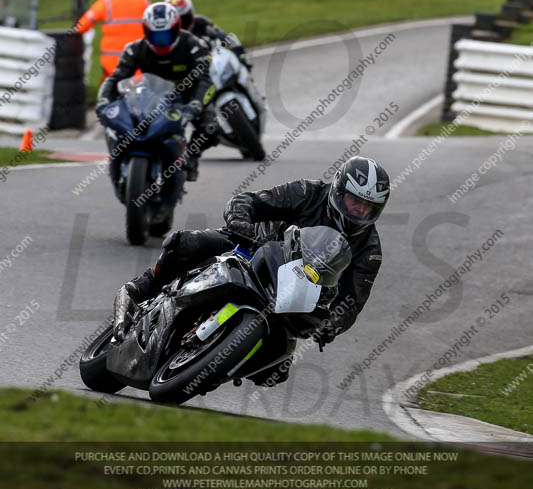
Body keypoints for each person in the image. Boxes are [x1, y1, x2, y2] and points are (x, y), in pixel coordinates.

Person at [115, 156, 390, 385]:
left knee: (274, 372)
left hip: (297, 296)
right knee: (185, 244)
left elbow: (353, 301)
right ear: (339, 191)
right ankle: (143, 286)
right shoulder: (308, 192)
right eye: (356, 201)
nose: (361, 211)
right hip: (254, 249)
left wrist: (332, 325)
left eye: (369, 207)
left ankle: (213, 363)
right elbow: (249, 201)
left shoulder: (370, 249)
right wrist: (240, 222)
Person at [96, 1, 217, 183]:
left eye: (167, 35)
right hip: (149, 98)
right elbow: (115, 79)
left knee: (210, 126)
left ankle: (191, 157)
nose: (161, 42)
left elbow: (205, 80)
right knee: (115, 124)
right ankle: (119, 163)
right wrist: (104, 101)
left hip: (186, 99)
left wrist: (196, 104)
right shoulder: (135, 49)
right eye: (156, 36)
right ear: (146, 32)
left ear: (176, 29)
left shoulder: (193, 44)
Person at [75, 0, 151, 79]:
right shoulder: (145, 1)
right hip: (137, 60)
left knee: (108, 91)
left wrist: (72, 34)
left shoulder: (106, 1)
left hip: (112, 63)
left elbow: (83, 24)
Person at [165, 0, 251, 67]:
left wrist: (238, 51)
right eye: (179, 21)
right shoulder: (165, 38)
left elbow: (223, 36)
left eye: (185, 19)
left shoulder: (201, 22)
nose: (182, 24)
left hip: (212, 66)